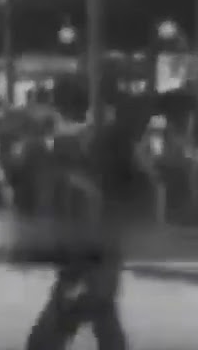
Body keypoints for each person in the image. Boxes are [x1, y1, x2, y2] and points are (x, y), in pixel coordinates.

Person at [24, 106, 132, 350]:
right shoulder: (81, 185)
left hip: (86, 271)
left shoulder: (75, 189)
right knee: (105, 326)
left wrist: (74, 273)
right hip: (97, 271)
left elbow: (83, 234)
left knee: (47, 337)